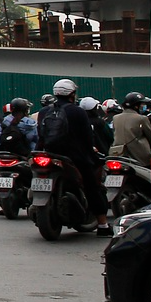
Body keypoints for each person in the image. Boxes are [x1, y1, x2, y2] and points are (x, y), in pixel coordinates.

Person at [35, 78, 109, 234]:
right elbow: (87, 138)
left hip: (48, 154)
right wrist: (92, 155)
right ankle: (103, 224)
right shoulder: (77, 111)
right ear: (72, 94)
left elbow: (41, 135)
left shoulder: (44, 112)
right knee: (92, 186)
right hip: (75, 157)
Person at [111, 93, 151, 164]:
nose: (143, 106)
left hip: (118, 154)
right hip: (140, 156)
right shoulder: (142, 118)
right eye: (142, 104)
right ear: (136, 106)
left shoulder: (115, 118)